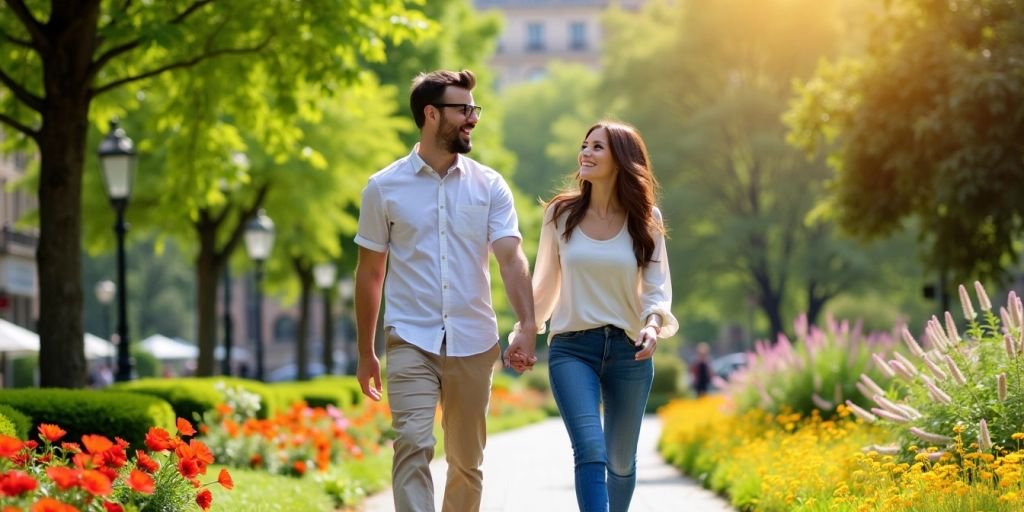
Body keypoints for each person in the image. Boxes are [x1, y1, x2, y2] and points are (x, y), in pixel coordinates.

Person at [354, 69, 537, 512]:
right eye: (463, 109)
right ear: (431, 114)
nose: (473, 117)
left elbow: (510, 259)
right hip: (409, 337)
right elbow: (370, 274)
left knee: (466, 461)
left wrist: (529, 324)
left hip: (473, 340)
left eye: (474, 108)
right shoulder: (383, 188)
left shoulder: (489, 185)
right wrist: (365, 351)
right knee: (413, 443)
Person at [506, 120, 677, 512]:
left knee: (620, 462)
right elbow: (545, 284)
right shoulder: (560, 214)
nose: (585, 152)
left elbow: (656, 287)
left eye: (597, 147)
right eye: (585, 145)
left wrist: (653, 327)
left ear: (621, 159)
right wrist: (524, 331)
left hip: (629, 350)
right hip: (572, 348)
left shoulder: (646, 218)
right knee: (590, 450)